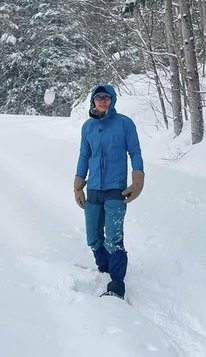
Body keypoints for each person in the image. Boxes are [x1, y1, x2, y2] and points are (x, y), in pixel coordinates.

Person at [73, 83, 144, 299]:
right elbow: (84, 155)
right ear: (93, 101)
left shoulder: (124, 124)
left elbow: (135, 152)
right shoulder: (88, 127)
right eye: (98, 98)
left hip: (116, 188)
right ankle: (104, 268)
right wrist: (78, 183)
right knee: (93, 237)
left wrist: (138, 180)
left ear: (112, 100)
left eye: (106, 97)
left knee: (114, 238)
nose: (102, 101)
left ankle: (116, 283)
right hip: (94, 187)